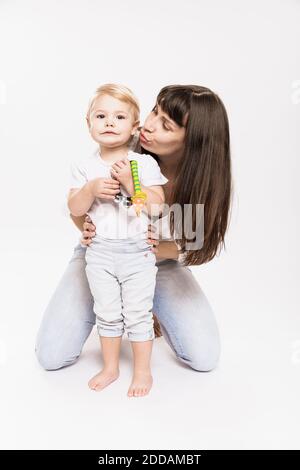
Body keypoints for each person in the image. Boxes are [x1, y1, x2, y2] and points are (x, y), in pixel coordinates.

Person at [36, 84, 232, 398]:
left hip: (152, 258)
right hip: (100, 252)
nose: (150, 125)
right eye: (155, 111)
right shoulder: (126, 149)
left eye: (166, 125)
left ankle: (145, 309)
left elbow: (191, 244)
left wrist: (153, 248)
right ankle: (115, 337)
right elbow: (77, 204)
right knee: (51, 354)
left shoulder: (187, 178)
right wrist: (84, 227)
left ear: (192, 141)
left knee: (204, 355)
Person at [68, 84, 168, 397]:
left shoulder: (145, 164)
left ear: (134, 127)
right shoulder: (85, 167)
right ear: (89, 124)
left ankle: (142, 371)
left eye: (119, 116)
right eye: (101, 115)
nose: (109, 122)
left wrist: (130, 183)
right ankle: (110, 367)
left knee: (138, 314)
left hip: (137, 253)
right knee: (107, 312)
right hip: (99, 253)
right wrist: (89, 190)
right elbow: (74, 207)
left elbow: (156, 207)